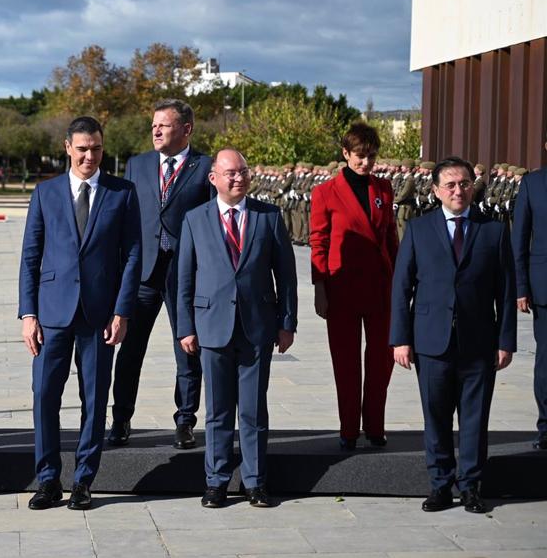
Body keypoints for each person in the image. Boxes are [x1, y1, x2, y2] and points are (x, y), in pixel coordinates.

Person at [19, 116, 141, 511]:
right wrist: (28, 314)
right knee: (44, 396)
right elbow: (30, 257)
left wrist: (122, 311)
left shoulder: (122, 193)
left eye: (97, 148)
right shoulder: (45, 193)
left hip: (99, 316)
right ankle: (48, 479)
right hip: (51, 314)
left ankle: (84, 480)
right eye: (83, 148)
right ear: (67, 147)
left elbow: (134, 256)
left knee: (94, 399)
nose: (90, 155)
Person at [391, 156, 515, 514]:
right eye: (450, 185)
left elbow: (504, 291)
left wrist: (506, 341)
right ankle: (440, 485)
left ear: (473, 186)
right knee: (437, 416)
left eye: (464, 183)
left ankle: (472, 486)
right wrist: (400, 339)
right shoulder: (418, 229)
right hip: (431, 341)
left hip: (479, 342)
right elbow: (401, 288)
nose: (458, 190)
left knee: (475, 418)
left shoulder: (492, 230)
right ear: (435, 191)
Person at [177, 148, 297, 509]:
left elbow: (286, 276)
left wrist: (286, 322)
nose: (238, 178)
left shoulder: (268, 217)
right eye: (230, 173)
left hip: (257, 327)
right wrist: (186, 326)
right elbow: (184, 278)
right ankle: (216, 481)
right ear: (213, 178)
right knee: (217, 410)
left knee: (253, 410)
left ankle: (255, 482)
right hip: (211, 326)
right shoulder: (195, 219)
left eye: (243, 172)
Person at [109, 98, 211, 449]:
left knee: (188, 350)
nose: (156, 130)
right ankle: (121, 419)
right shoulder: (137, 165)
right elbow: (123, 218)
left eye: (164, 125)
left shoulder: (204, 167)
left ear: (186, 129)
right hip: (143, 272)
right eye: (154, 124)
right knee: (130, 349)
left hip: (186, 274)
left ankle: (185, 421)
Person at [309, 123, 399, 450]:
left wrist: (401, 282)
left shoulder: (384, 189)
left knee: (381, 361)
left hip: (380, 286)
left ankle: (375, 425)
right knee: (346, 363)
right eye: (360, 156)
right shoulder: (325, 193)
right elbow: (318, 241)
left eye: (371, 156)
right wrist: (320, 287)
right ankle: (348, 429)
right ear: (346, 153)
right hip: (342, 288)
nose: (366, 163)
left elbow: (391, 238)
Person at [512, 141, 547, 450]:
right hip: (544, 287)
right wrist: (520, 286)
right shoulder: (532, 183)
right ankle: (546, 427)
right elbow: (519, 238)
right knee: (546, 360)